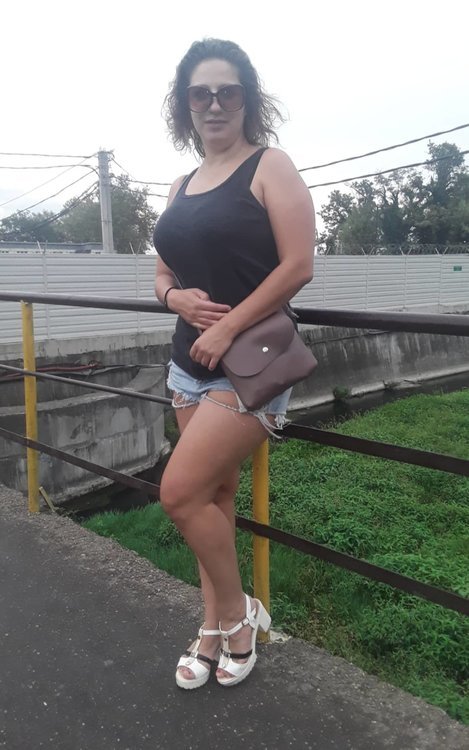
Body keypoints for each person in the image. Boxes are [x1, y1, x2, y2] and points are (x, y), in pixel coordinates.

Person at [153, 38, 315, 689]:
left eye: (228, 92)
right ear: (185, 104)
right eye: (201, 93)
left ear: (247, 99)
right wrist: (174, 298)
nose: (214, 104)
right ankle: (212, 626)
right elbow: (162, 274)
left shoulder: (269, 165)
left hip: (250, 365)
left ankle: (239, 614)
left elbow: (298, 266)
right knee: (212, 498)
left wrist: (226, 326)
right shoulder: (180, 185)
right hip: (185, 365)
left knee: (179, 493)